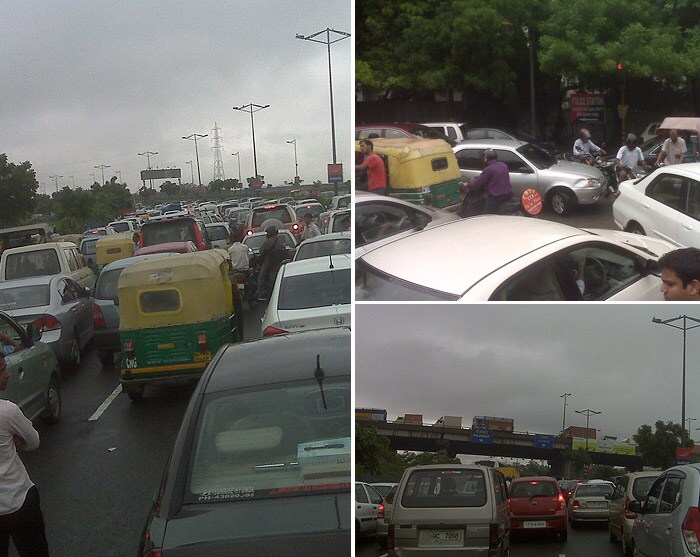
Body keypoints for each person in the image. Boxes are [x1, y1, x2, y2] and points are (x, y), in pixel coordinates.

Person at [0, 354, 50, 556]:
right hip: (19, 500)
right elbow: (33, 441)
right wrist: (17, 443)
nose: (8, 374)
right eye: (2, 369)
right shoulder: (8, 412)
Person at [460, 149, 513, 215]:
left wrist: (468, 184)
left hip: (497, 197)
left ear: (486, 158)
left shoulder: (489, 169)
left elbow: (478, 183)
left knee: (487, 215)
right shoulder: (503, 165)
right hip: (508, 194)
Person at [256, 226, 287, 301]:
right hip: (278, 263)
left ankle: (260, 295)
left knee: (261, 278)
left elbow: (262, 252)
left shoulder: (269, 242)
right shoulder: (280, 241)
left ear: (269, 233)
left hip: (269, 262)